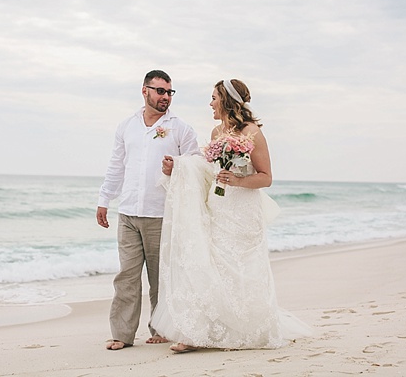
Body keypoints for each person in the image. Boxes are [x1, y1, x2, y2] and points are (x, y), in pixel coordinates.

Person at [151, 79, 312, 353]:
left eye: (214, 97)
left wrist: (237, 180)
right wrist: (178, 167)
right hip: (219, 208)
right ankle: (199, 333)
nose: (210, 103)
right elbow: (207, 170)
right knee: (211, 267)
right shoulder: (216, 132)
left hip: (243, 213)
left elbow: (266, 178)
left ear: (226, 100)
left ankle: (246, 330)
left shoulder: (252, 133)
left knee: (242, 272)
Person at [97, 70, 201, 351]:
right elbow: (117, 165)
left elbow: (199, 165)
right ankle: (122, 334)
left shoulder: (181, 128)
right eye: (160, 91)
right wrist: (105, 198)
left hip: (162, 213)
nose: (166, 97)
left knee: (160, 277)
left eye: (169, 92)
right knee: (127, 276)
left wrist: (176, 166)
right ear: (145, 91)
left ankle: (161, 328)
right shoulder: (126, 126)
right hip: (129, 211)